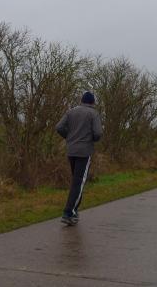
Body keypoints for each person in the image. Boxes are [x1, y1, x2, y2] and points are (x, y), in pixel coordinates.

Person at [56, 91, 103, 226]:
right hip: (84, 152)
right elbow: (98, 133)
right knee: (79, 183)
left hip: (71, 151)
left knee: (76, 182)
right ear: (92, 102)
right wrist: (91, 139)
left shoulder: (71, 112)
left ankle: (74, 212)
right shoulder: (93, 113)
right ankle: (68, 212)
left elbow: (59, 127)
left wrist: (69, 137)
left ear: (82, 100)